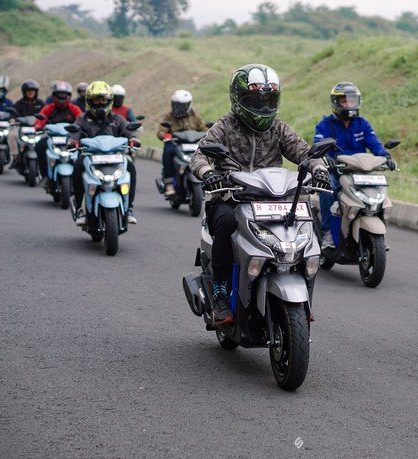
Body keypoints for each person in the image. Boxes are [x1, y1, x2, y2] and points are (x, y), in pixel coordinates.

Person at [190, 63, 330, 326]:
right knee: (226, 224)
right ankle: (220, 293)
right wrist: (208, 173)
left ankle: (304, 294)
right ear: (238, 98)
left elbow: (304, 152)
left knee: (308, 222)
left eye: (268, 100)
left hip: (272, 200)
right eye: (255, 100)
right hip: (231, 198)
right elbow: (199, 156)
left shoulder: (278, 128)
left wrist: (319, 168)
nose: (263, 106)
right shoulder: (225, 126)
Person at [313, 82, 396, 248]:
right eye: (344, 101)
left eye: (352, 100)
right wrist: (326, 159)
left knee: (378, 192)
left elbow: (374, 143)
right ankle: (328, 233)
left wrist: (386, 157)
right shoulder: (325, 125)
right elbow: (319, 145)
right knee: (328, 190)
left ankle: (377, 233)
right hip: (336, 170)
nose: (349, 104)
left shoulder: (362, 123)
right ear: (336, 103)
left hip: (360, 172)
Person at [70, 81, 140, 226]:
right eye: (96, 100)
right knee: (77, 166)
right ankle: (79, 208)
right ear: (89, 101)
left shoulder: (117, 118)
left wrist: (133, 139)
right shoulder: (82, 119)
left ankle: (129, 208)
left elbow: (127, 129)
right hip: (90, 156)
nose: (100, 103)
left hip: (115, 157)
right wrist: (73, 141)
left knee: (131, 167)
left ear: (109, 100)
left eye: (103, 99)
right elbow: (75, 132)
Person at [157, 89, 207, 195]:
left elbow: (203, 128)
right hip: (175, 143)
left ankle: (206, 177)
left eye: (181, 105)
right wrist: (164, 135)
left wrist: (208, 133)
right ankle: (169, 182)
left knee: (206, 152)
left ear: (188, 105)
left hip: (193, 143)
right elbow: (162, 130)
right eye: (175, 105)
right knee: (167, 152)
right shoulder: (169, 116)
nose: (177, 108)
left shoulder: (195, 115)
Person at [34, 81, 82, 185]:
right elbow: (40, 120)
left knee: (82, 151)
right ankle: (45, 175)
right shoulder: (48, 108)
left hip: (70, 138)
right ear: (54, 95)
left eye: (64, 94)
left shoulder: (74, 109)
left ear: (69, 95)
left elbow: (81, 120)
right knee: (39, 146)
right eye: (59, 94)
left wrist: (82, 130)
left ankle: (79, 178)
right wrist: (38, 126)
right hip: (52, 137)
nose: (62, 96)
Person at [10, 79, 45, 168]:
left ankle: (45, 158)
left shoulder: (41, 103)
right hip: (22, 128)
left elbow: (46, 114)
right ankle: (15, 157)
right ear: (24, 92)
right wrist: (12, 119)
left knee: (46, 138)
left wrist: (46, 121)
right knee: (11, 135)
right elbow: (13, 113)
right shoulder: (19, 103)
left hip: (37, 128)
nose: (31, 93)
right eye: (29, 91)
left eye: (33, 91)